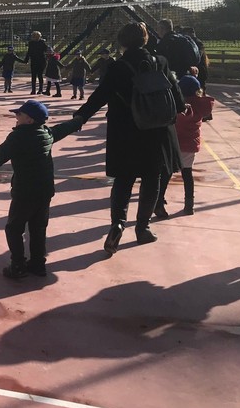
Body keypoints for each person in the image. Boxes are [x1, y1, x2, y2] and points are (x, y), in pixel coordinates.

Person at [75, 22, 185, 252]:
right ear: (145, 39)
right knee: (151, 179)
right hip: (156, 130)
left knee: (123, 181)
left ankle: (117, 224)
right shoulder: (161, 62)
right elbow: (176, 97)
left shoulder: (118, 67)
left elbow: (99, 96)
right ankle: (142, 228)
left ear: (122, 42)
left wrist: (81, 117)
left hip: (125, 130)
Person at [0, 100, 84, 278]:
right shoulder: (47, 133)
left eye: (19, 114)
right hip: (45, 191)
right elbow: (65, 128)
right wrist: (79, 120)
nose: (16, 117)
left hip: (25, 192)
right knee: (38, 228)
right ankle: (38, 264)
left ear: (29, 120)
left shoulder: (18, 137)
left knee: (14, 229)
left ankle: (18, 265)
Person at [155, 75, 215, 217]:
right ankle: (189, 205)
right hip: (190, 145)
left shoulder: (176, 104)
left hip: (175, 143)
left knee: (166, 173)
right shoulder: (200, 106)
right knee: (187, 174)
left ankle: (159, 201)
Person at [181, 27, 209, 92]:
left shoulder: (197, 43)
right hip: (196, 71)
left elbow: (197, 56)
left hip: (200, 71)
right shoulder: (193, 42)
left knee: (199, 91)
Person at [23, 31, 48, 95]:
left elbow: (47, 50)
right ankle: (33, 90)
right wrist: (26, 60)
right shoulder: (31, 43)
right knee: (34, 76)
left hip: (41, 61)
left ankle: (40, 90)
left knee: (39, 75)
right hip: (34, 60)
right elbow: (29, 52)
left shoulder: (42, 42)